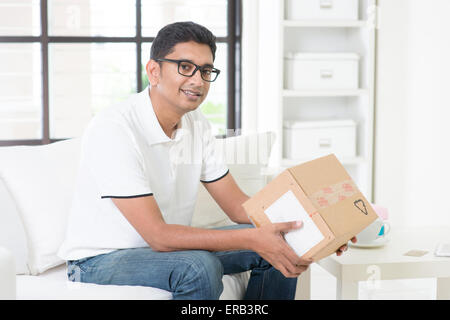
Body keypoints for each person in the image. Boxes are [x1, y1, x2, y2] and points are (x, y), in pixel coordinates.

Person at [57, 21, 354, 300]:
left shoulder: (196, 124)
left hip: (165, 252)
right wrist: (252, 238)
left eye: (206, 70)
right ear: (154, 71)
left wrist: (317, 228)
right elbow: (158, 236)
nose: (198, 80)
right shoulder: (115, 128)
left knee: (282, 242)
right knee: (198, 266)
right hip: (99, 259)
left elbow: (239, 206)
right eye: (185, 67)